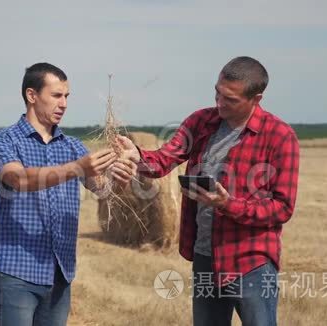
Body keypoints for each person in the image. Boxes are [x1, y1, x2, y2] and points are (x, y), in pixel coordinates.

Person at [118, 56, 299, 326]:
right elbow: (164, 160)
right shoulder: (200, 121)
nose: (220, 103)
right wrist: (137, 156)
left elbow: (282, 208)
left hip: (251, 262)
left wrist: (227, 204)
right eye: (217, 92)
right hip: (206, 257)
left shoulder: (280, 137)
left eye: (231, 99)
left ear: (256, 98)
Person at [0, 62, 136, 326]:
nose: (64, 103)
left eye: (67, 96)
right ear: (32, 96)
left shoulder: (73, 146)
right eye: (56, 95)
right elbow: (17, 178)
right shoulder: (3, 140)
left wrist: (121, 177)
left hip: (60, 274)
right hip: (16, 272)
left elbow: (103, 190)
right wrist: (77, 168)